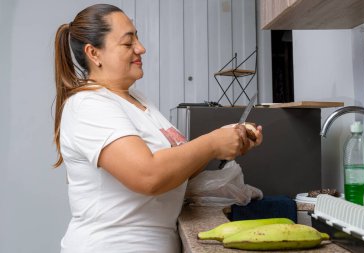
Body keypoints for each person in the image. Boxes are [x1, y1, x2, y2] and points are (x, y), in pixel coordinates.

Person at [53, 4, 263, 253]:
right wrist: (213, 142)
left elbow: (175, 169)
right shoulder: (89, 104)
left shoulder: (138, 100)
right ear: (94, 53)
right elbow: (148, 176)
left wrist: (225, 141)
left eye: (137, 38)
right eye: (128, 43)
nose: (141, 48)